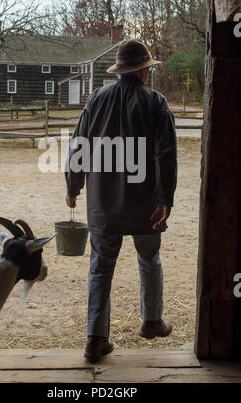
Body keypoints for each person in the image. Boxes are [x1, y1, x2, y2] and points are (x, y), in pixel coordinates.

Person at [65, 39, 177, 362]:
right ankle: (152, 321)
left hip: (103, 204)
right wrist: (164, 199)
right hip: (145, 206)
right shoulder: (156, 102)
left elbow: (78, 147)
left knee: (100, 269)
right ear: (143, 71)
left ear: (119, 72)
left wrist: (73, 186)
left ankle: (96, 339)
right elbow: (166, 156)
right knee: (149, 258)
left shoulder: (96, 100)